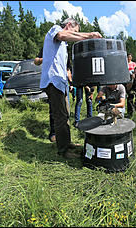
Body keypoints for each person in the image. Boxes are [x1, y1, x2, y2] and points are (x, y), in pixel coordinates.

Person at [40, 18, 102, 159]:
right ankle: (63, 151)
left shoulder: (63, 45)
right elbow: (63, 35)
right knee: (60, 116)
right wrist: (89, 35)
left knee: (66, 114)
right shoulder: (55, 29)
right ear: (68, 25)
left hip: (61, 83)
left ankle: (67, 143)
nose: (75, 35)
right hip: (53, 81)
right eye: (75, 32)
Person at [34, 47, 56, 142]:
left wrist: (70, 81)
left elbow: (67, 67)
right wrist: (45, 58)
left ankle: (64, 136)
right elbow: (36, 61)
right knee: (53, 110)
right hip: (51, 82)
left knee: (65, 111)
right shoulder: (47, 46)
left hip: (63, 82)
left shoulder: (64, 47)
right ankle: (54, 133)